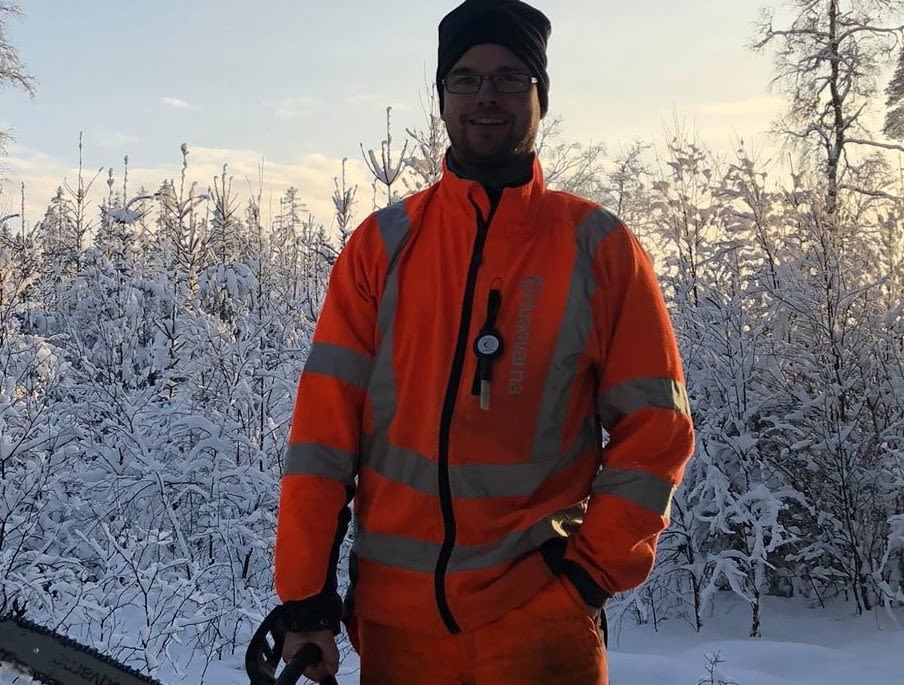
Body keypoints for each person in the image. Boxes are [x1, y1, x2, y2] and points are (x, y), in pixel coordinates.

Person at [273, 0, 695, 683]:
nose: (486, 97)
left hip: (539, 625)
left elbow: (658, 431)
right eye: (465, 79)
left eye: (509, 77)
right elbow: (323, 438)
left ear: (540, 96)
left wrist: (587, 578)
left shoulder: (600, 250)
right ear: (441, 98)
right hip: (397, 632)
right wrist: (304, 599)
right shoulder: (380, 248)